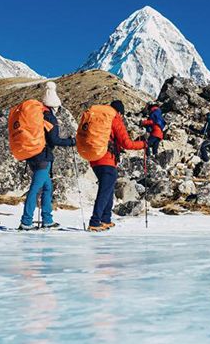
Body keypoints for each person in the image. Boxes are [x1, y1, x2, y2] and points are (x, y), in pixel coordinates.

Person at [18, 82, 76, 230]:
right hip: (42, 157)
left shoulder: (37, 114)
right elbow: (54, 140)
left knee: (47, 187)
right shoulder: (49, 117)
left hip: (32, 155)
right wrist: (71, 142)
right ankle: (26, 221)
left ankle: (47, 219)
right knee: (35, 188)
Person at [88, 100, 146, 232]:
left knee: (108, 188)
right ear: (119, 112)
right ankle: (95, 221)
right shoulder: (114, 118)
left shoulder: (99, 118)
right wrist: (143, 144)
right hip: (107, 159)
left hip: (94, 158)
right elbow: (126, 143)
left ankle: (106, 219)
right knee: (104, 190)